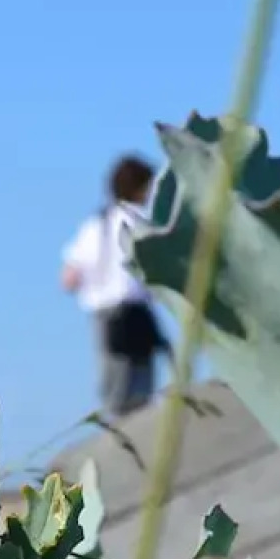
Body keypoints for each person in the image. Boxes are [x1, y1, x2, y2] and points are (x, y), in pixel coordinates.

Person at [60, 154, 171, 418]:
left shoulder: (96, 225)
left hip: (108, 312)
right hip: (126, 310)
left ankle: (121, 431)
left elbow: (69, 276)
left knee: (116, 384)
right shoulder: (137, 221)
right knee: (135, 382)